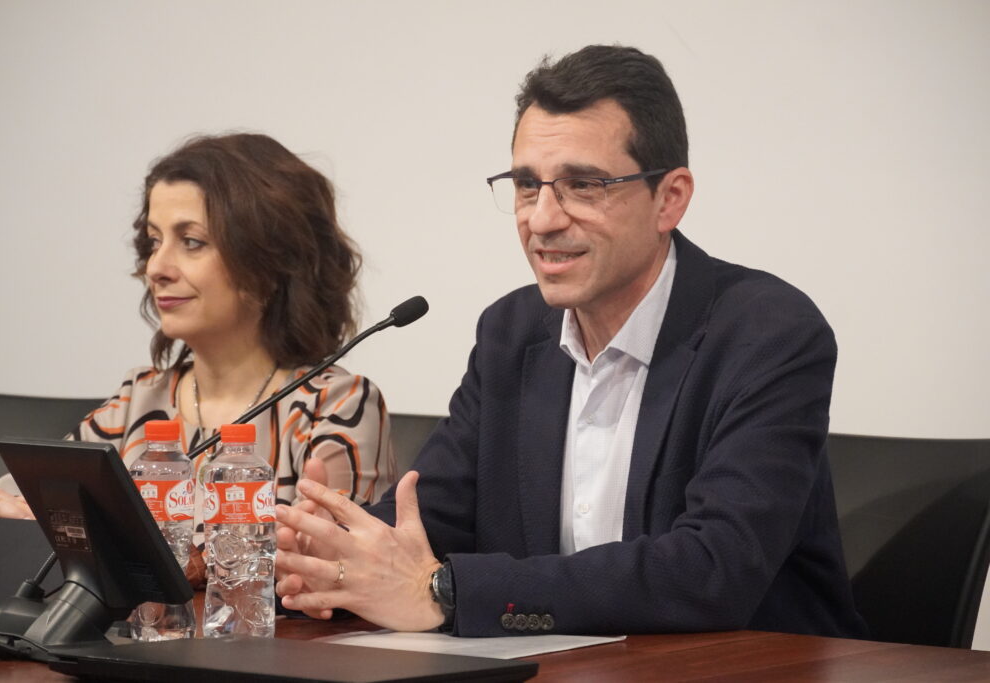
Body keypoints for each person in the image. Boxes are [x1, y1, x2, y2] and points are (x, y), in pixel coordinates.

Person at [274, 45, 867, 638]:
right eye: (526, 186)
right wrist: (328, 558)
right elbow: (430, 518)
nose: (542, 220)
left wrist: (445, 591)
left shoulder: (767, 333)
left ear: (670, 199)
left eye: (583, 185)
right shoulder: (510, 333)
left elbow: (713, 570)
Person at [0, 134, 397, 581]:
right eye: (154, 241)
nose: (156, 268)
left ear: (270, 262)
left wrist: (79, 535)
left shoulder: (336, 404)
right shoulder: (140, 398)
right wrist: (16, 519)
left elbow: (319, 566)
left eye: (191, 241)